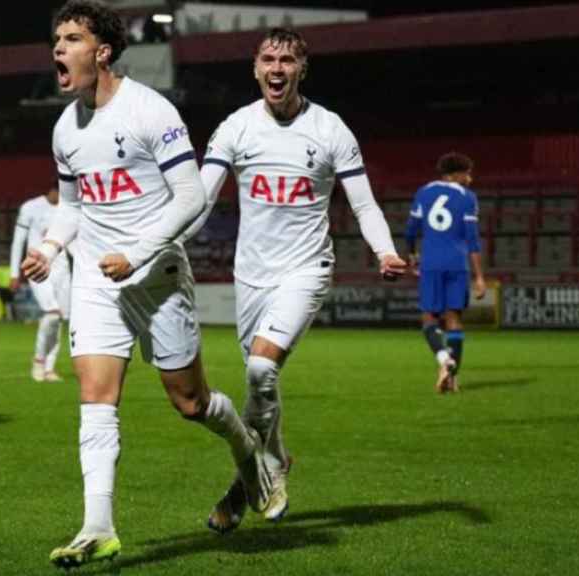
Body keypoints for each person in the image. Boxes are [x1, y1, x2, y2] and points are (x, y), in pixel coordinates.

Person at [21, 1, 276, 568]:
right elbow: (73, 207)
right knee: (95, 396)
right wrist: (48, 247)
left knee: (190, 403)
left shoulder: (149, 110)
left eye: (71, 39)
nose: (58, 49)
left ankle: (247, 448)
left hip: (156, 275)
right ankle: (98, 527)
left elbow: (191, 197)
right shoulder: (66, 127)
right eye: (56, 39)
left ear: (103, 52)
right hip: (95, 278)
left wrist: (136, 253)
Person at [191, 27, 407, 534]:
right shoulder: (236, 128)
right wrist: (164, 241)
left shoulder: (331, 130)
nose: (277, 68)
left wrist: (385, 250)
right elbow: (200, 200)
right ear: (255, 68)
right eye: (268, 58)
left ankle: (254, 480)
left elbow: (364, 203)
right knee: (258, 382)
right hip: (252, 276)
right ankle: (272, 463)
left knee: (261, 373)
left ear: (301, 69)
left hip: (307, 269)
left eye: (287, 59)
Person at [404, 152, 486, 393]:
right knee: (454, 320)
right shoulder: (468, 198)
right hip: (457, 264)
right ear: (455, 174)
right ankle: (452, 377)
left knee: (429, 318)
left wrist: (412, 255)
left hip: (430, 263)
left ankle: (443, 360)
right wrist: (479, 276)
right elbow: (473, 240)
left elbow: (410, 231)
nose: (470, 178)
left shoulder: (424, 192)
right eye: (467, 173)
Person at [9, 186, 72, 382]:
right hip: (37, 268)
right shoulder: (31, 207)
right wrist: (14, 273)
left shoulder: (69, 208)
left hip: (63, 271)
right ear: (52, 190)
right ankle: (38, 361)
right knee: (52, 314)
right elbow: (18, 240)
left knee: (59, 319)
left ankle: (49, 369)